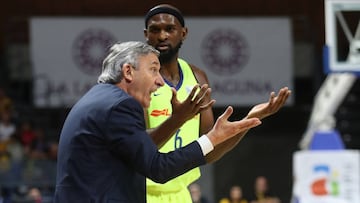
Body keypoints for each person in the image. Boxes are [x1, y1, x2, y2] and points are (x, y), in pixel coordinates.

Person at [54, 41, 263, 203]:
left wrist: (176, 120)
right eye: (153, 69)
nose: (159, 81)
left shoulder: (97, 99)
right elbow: (157, 168)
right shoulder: (121, 105)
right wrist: (212, 138)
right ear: (128, 72)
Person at [143, 4, 292, 203]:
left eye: (169, 29)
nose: (162, 36)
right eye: (155, 30)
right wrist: (177, 119)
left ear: (183, 33)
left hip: (181, 195)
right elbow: (138, 146)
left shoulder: (198, 78)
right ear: (146, 34)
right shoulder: (139, 80)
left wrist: (252, 118)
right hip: (141, 192)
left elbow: (210, 149)